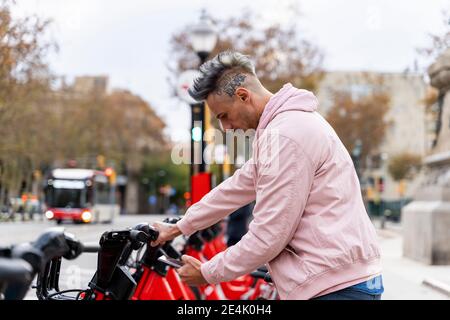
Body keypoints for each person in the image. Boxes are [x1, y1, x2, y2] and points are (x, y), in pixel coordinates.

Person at [151, 51, 383, 300]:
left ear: (243, 96)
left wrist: (208, 273)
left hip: (334, 288)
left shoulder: (285, 135)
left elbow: (268, 236)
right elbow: (237, 186)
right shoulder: (283, 128)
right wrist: (179, 227)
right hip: (336, 280)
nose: (225, 128)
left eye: (223, 116)